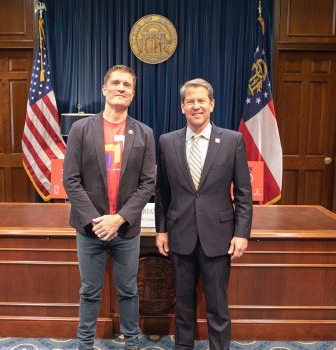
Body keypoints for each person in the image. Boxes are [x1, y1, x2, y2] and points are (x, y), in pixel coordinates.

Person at [154, 78, 253, 350]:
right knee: (183, 304)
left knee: (218, 306)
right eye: (190, 101)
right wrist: (161, 229)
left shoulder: (233, 140)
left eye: (201, 101)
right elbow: (162, 192)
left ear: (211, 104)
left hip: (219, 237)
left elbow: (243, 193)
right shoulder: (166, 142)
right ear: (182, 107)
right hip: (179, 235)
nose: (196, 106)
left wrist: (242, 234)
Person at [63, 65, 155, 350]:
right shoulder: (81, 129)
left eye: (127, 85)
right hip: (90, 229)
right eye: (115, 83)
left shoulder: (144, 133)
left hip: (126, 229)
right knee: (90, 291)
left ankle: (133, 343)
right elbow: (71, 180)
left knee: (129, 291)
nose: (121, 88)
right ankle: (85, 344)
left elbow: (148, 183)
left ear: (133, 93)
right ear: (104, 89)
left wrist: (119, 219)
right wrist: (96, 220)